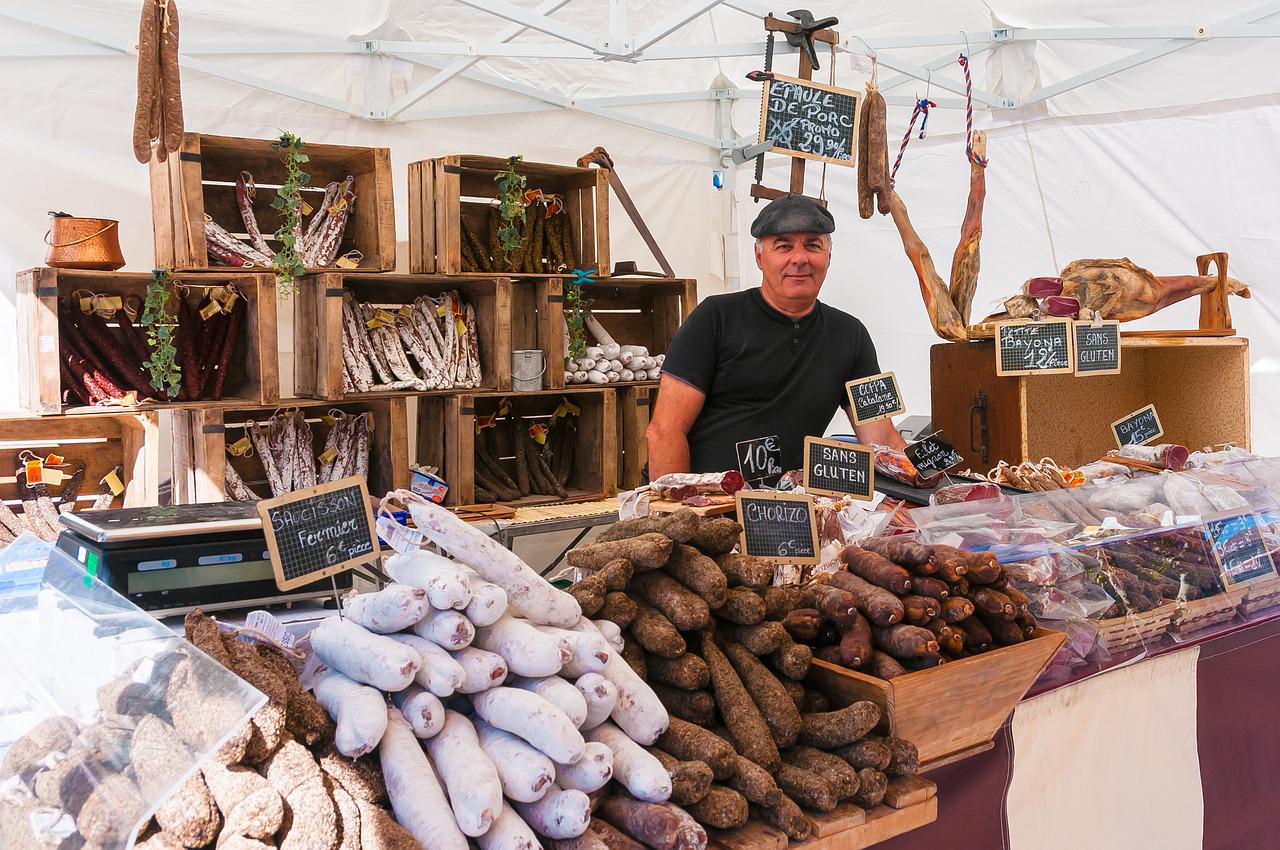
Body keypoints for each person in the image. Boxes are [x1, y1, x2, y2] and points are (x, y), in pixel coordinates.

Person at [646, 193, 907, 478]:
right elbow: (664, 431)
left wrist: (933, 484)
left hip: (790, 508)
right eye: (783, 247)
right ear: (759, 256)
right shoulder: (715, 317)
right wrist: (676, 511)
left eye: (813, 245)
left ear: (828, 256)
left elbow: (882, 437)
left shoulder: (852, 334)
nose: (799, 259)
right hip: (709, 504)